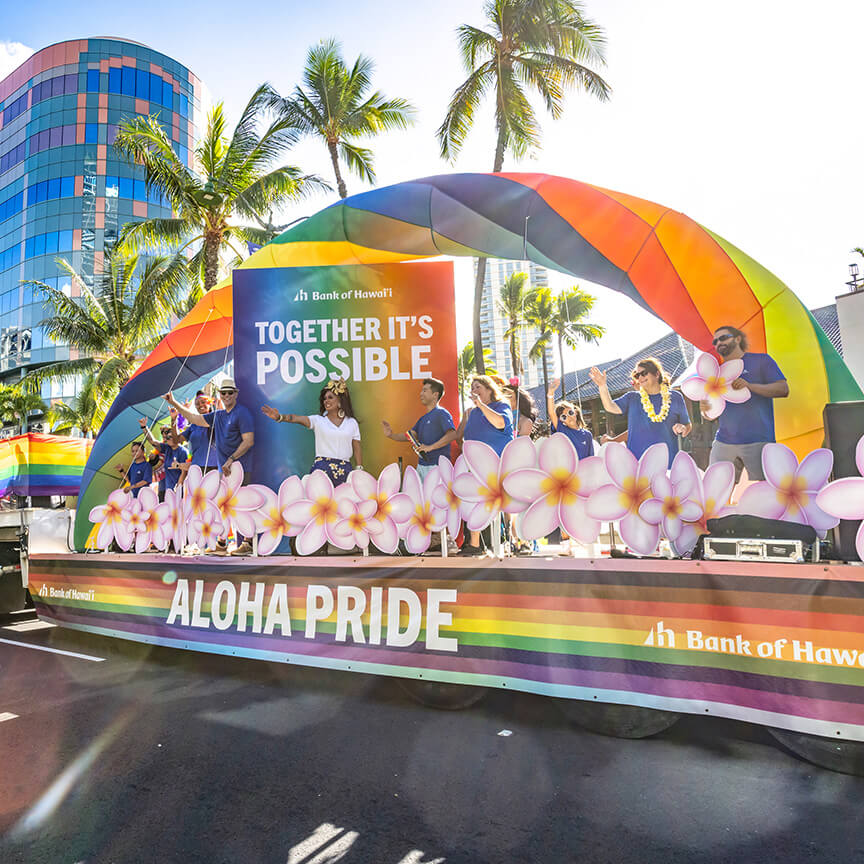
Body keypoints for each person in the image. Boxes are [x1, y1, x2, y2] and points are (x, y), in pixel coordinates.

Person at [166, 378, 255, 555]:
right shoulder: (217, 417)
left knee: (242, 504)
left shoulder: (241, 413)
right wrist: (173, 403)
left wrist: (231, 458)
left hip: (238, 467)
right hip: (218, 470)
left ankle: (247, 542)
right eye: (224, 393)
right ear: (220, 395)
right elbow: (193, 419)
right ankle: (220, 542)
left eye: (230, 392)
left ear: (235, 394)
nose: (227, 395)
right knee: (220, 506)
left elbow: (249, 441)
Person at [704, 325, 789, 481]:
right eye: (715, 341)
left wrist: (750, 386)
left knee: (764, 491)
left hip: (758, 439)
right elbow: (710, 414)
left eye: (723, 338)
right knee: (714, 490)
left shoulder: (761, 360)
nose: (718, 343)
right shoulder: (716, 372)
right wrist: (706, 409)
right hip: (724, 441)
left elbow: (783, 389)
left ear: (737, 338)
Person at [590, 357, 691, 468]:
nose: (640, 378)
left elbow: (687, 425)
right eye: (637, 375)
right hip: (637, 465)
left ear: (657, 374)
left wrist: (684, 428)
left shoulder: (675, 397)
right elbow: (610, 406)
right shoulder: (632, 398)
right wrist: (602, 386)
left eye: (644, 373)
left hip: (667, 463)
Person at [261, 377, 361, 485]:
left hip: (345, 469)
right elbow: (296, 418)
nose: (326, 401)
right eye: (324, 398)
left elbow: (356, 447)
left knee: (342, 500)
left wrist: (359, 469)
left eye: (330, 397)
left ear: (340, 401)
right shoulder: (318, 420)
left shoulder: (351, 423)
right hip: (322, 470)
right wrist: (280, 417)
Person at [454, 375, 514, 555]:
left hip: (499, 465)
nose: (474, 390)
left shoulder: (501, 406)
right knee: (475, 502)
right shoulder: (471, 413)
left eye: (478, 386)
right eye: (472, 387)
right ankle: (474, 545)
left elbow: (500, 423)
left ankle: (515, 541)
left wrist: (481, 405)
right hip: (477, 467)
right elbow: (462, 436)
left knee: (509, 504)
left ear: (489, 389)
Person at [382, 377, 456, 481]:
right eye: (422, 390)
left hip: (437, 466)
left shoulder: (441, 413)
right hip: (422, 466)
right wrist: (391, 435)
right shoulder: (422, 419)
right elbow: (410, 436)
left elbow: (453, 434)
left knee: (435, 497)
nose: (421, 393)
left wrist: (431, 447)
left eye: (425, 390)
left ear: (435, 395)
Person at [139, 419, 189, 499]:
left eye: (171, 437)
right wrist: (144, 427)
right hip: (168, 490)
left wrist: (178, 490)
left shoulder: (183, 452)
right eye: (167, 437)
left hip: (179, 491)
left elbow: (184, 473)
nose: (168, 439)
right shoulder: (167, 448)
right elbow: (152, 441)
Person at [546, 377, 594, 458]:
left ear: (575, 412)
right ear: (562, 421)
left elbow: (591, 457)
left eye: (570, 412)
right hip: (568, 470)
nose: (568, 417)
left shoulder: (587, 435)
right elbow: (551, 413)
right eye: (564, 417)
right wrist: (550, 394)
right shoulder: (563, 430)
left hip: (584, 469)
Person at [174, 390, 219, 477]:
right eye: (197, 404)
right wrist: (174, 419)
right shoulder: (193, 426)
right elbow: (177, 440)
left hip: (215, 468)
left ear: (210, 404)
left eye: (203, 402)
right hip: (196, 469)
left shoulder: (216, 419)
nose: (200, 405)